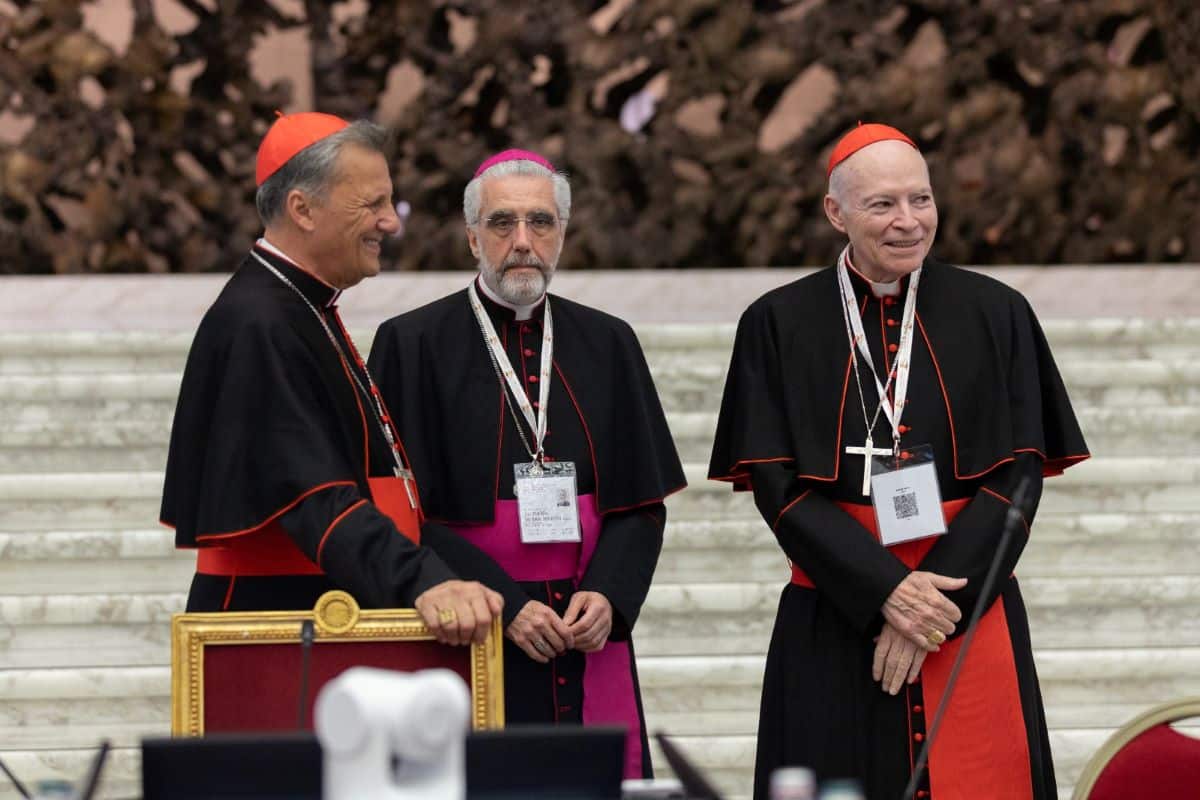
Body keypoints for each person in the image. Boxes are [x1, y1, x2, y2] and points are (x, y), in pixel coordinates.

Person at [708, 123, 1090, 799]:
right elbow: (777, 485)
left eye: (922, 200)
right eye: (883, 205)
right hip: (833, 606)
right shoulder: (776, 322)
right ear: (837, 213)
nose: (908, 222)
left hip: (968, 611)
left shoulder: (996, 312)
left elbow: (1020, 472)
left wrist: (931, 604)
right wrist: (884, 590)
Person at [367, 149, 686, 778]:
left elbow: (641, 501)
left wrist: (610, 596)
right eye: (502, 223)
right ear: (470, 237)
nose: (522, 242)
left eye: (540, 223)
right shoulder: (411, 344)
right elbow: (399, 513)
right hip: (469, 623)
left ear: (562, 233)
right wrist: (503, 604)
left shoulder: (609, 340)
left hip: (585, 629)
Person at [160, 112, 502, 646]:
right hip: (278, 629)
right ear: (303, 209)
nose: (391, 222)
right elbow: (311, 493)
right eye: (372, 204)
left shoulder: (300, 306)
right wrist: (422, 581)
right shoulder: (260, 322)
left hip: (323, 610)